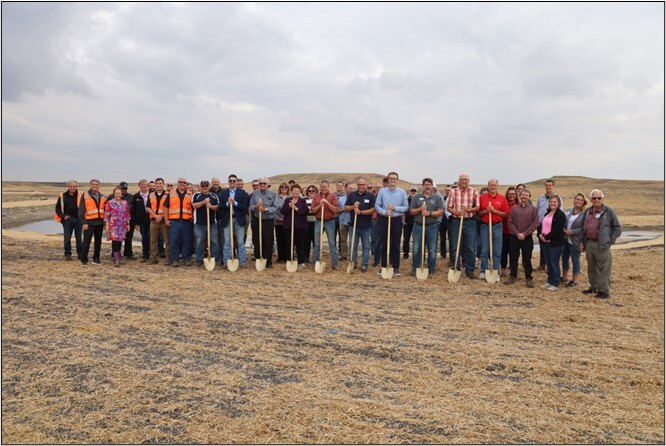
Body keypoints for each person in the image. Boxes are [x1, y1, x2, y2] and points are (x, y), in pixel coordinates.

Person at [580, 189, 621, 299]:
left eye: (599, 198)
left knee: (604, 268)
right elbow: (582, 228)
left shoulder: (608, 211)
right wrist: (582, 242)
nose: (596, 200)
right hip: (589, 243)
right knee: (592, 267)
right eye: (594, 198)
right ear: (590, 199)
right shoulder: (588, 211)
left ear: (602, 199)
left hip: (602, 245)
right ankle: (594, 287)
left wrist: (609, 241)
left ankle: (604, 291)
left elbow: (617, 228)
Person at [375, 171, 409, 276]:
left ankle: (395, 267)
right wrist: (384, 212)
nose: (392, 180)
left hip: (396, 220)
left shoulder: (402, 192)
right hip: (384, 219)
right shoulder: (382, 192)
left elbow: (405, 207)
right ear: (388, 180)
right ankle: (384, 266)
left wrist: (394, 208)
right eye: (391, 178)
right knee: (384, 243)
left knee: (395, 244)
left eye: (394, 178)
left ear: (397, 180)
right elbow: (377, 206)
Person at [447, 173, 480, 279]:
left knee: (470, 247)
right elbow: (449, 207)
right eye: (462, 179)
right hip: (456, 221)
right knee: (456, 246)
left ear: (469, 180)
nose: (464, 181)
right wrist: (457, 213)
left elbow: (478, 207)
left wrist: (469, 209)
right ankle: (456, 268)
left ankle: (470, 270)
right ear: (459, 180)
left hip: (470, 222)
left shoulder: (474, 191)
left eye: (466, 179)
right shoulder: (453, 191)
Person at [409, 178, 444, 275]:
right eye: (426, 184)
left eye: (429, 184)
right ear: (423, 186)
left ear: (432, 186)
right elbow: (411, 211)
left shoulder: (437, 198)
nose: (428, 186)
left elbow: (440, 212)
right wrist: (420, 209)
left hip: (432, 226)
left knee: (432, 249)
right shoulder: (417, 197)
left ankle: (431, 268)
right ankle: (415, 267)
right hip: (418, 226)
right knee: (416, 248)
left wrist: (429, 213)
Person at [506, 189, 540, 287]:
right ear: (520, 196)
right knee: (513, 257)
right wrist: (517, 233)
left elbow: (535, 224)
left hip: (527, 238)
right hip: (514, 237)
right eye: (522, 195)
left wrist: (524, 234)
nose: (524, 196)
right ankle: (513, 276)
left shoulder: (533, 209)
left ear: (529, 196)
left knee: (527, 258)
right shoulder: (514, 209)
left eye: (526, 195)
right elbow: (510, 222)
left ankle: (529, 278)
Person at [477, 180, 509, 281]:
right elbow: (478, 213)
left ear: (497, 186)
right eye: (491, 185)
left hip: (497, 226)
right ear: (488, 186)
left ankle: (496, 272)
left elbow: (506, 214)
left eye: (494, 185)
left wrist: (494, 211)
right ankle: (483, 271)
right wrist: (486, 211)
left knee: (497, 250)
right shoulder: (482, 198)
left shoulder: (502, 198)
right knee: (484, 249)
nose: (492, 187)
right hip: (485, 226)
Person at [343, 177, 376, 272]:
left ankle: (364, 264)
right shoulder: (352, 195)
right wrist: (353, 207)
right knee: (353, 245)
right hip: (353, 226)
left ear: (366, 185)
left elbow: (373, 210)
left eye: (363, 185)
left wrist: (360, 212)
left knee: (366, 246)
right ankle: (353, 263)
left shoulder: (370, 196)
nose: (361, 186)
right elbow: (345, 207)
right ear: (357, 185)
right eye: (359, 185)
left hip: (366, 226)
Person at [219, 174, 250, 268]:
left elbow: (244, 206)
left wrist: (235, 203)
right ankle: (226, 261)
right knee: (227, 241)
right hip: (228, 219)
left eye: (234, 181)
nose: (232, 182)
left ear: (236, 182)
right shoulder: (223, 193)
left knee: (240, 241)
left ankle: (242, 261)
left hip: (238, 219)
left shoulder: (242, 193)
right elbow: (221, 206)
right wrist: (228, 203)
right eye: (230, 181)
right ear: (228, 182)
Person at [537, 195, 566, 291]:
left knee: (554, 263)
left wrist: (546, 237)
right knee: (548, 263)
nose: (552, 203)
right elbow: (541, 225)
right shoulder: (547, 213)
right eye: (551, 202)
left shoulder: (560, 215)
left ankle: (556, 282)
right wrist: (540, 235)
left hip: (555, 243)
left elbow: (557, 230)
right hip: (545, 242)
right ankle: (549, 281)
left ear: (558, 204)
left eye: (555, 202)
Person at [164, 177, 194, 267]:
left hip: (187, 222)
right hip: (174, 222)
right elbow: (166, 207)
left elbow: (193, 208)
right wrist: (166, 219)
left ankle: (186, 258)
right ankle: (174, 259)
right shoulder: (171, 194)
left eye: (184, 182)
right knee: (174, 241)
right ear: (177, 183)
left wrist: (192, 217)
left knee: (187, 241)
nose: (182, 184)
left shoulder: (190, 194)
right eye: (180, 182)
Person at [249, 177, 278, 268]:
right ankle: (259, 258)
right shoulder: (255, 194)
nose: (262, 185)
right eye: (260, 183)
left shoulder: (273, 194)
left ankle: (268, 261)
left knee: (268, 241)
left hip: (268, 221)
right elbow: (250, 206)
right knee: (257, 240)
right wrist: (256, 207)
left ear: (267, 184)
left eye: (264, 183)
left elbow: (275, 207)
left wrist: (265, 209)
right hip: (257, 220)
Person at [311, 180, 340, 270]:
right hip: (318, 221)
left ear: (328, 187)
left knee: (332, 243)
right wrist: (320, 205)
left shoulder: (333, 196)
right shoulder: (316, 197)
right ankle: (315, 263)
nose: (323, 188)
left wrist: (327, 203)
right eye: (322, 186)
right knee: (317, 244)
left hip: (330, 222)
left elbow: (335, 210)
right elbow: (313, 210)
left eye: (325, 186)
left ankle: (334, 264)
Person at [560, 193, 587, 287]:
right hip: (565, 239)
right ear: (574, 200)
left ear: (583, 202)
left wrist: (571, 232)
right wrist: (564, 230)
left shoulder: (584, 214)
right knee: (564, 258)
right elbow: (563, 222)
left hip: (576, 241)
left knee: (575, 260)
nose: (579, 201)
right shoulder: (568, 210)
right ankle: (564, 277)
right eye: (577, 199)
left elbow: (583, 228)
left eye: (581, 200)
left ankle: (574, 280)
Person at [192, 180, 220, 267]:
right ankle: (199, 259)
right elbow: (194, 206)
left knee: (214, 241)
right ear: (200, 186)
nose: (204, 187)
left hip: (212, 223)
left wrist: (211, 206)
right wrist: (204, 202)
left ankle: (215, 258)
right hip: (199, 223)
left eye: (206, 185)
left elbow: (218, 208)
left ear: (209, 186)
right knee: (199, 242)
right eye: (202, 185)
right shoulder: (196, 195)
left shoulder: (214, 196)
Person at [78, 179, 107, 266]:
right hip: (89, 223)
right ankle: (84, 260)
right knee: (86, 241)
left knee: (98, 242)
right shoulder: (85, 195)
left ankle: (96, 259)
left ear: (99, 185)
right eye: (93, 184)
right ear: (90, 185)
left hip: (99, 223)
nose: (95, 186)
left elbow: (105, 210)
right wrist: (84, 222)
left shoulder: (102, 196)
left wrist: (105, 223)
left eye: (97, 184)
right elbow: (81, 210)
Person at [281, 183, 309, 268]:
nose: (296, 192)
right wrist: (289, 206)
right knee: (289, 244)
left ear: (299, 192)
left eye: (297, 190)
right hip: (288, 226)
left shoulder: (302, 201)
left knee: (300, 244)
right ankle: (289, 260)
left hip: (300, 226)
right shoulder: (287, 200)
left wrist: (296, 208)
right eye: (294, 190)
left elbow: (305, 211)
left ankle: (301, 261)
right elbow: (283, 212)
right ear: (292, 191)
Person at [107, 181, 136, 260]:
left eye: (125, 188)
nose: (123, 190)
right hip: (115, 224)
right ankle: (115, 255)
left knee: (128, 239)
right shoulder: (110, 198)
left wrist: (131, 223)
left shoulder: (130, 197)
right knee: (116, 240)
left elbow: (131, 211)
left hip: (127, 222)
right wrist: (106, 225)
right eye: (122, 188)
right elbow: (107, 213)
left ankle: (128, 254)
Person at [54, 180, 83, 260]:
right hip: (67, 220)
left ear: (77, 187)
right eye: (71, 186)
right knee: (67, 238)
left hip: (78, 220)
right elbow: (57, 208)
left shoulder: (81, 195)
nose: (73, 188)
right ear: (68, 187)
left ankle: (80, 254)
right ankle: (67, 254)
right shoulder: (62, 196)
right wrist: (63, 216)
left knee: (79, 238)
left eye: (74, 186)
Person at [104, 186, 131, 267]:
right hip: (114, 226)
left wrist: (128, 224)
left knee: (120, 241)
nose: (118, 195)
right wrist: (107, 226)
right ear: (114, 194)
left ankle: (118, 258)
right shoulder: (110, 203)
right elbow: (107, 215)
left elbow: (127, 214)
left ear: (121, 194)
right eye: (116, 193)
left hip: (122, 225)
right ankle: (116, 260)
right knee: (115, 241)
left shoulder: (124, 203)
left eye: (119, 193)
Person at [146, 178, 170, 265]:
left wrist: (162, 216)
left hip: (164, 221)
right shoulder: (151, 195)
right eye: (157, 183)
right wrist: (155, 216)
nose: (159, 185)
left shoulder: (168, 195)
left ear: (163, 184)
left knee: (167, 241)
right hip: (154, 221)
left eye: (160, 183)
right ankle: (154, 258)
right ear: (155, 185)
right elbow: (148, 207)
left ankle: (168, 258)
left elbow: (169, 208)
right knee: (153, 241)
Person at [536, 179, 556, 271]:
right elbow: (537, 210)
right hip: (541, 224)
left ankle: (549, 265)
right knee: (542, 245)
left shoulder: (557, 198)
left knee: (551, 246)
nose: (548, 187)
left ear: (553, 186)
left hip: (551, 225)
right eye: (546, 185)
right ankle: (542, 264)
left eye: (550, 185)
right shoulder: (541, 198)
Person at [131, 179, 152, 262]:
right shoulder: (136, 196)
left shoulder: (151, 195)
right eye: (142, 185)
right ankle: (145, 255)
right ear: (139, 186)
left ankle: (152, 254)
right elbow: (133, 210)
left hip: (150, 220)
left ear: (147, 186)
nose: (143, 186)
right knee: (144, 238)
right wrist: (135, 223)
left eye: (145, 185)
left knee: (150, 237)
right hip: (141, 221)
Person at [500, 187, 518, 277]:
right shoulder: (504, 203)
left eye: (513, 194)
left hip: (514, 232)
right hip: (504, 231)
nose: (511, 196)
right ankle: (503, 270)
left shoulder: (518, 205)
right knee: (504, 252)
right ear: (507, 195)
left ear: (516, 195)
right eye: (510, 194)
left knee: (513, 252)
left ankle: (513, 270)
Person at [274, 182, 290, 263]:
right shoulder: (276, 198)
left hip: (289, 223)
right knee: (280, 240)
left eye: (286, 187)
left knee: (288, 240)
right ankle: (281, 257)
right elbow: (274, 210)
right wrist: (278, 218)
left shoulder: (291, 198)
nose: (284, 188)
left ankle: (288, 257)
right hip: (278, 222)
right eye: (282, 187)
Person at [337, 183, 354, 260]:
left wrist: (349, 208)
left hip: (352, 222)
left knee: (352, 239)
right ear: (346, 189)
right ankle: (344, 255)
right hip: (343, 221)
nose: (351, 190)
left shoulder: (355, 198)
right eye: (350, 188)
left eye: (352, 188)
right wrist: (344, 209)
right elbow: (337, 210)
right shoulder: (340, 199)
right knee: (343, 239)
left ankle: (351, 255)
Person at [304, 185, 318, 262]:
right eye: (310, 191)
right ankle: (306, 257)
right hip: (306, 223)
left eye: (313, 191)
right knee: (306, 241)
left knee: (315, 241)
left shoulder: (318, 200)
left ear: (316, 191)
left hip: (316, 222)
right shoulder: (304, 200)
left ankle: (315, 258)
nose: (311, 192)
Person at [403, 185, 417, 259]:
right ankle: (405, 254)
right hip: (407, 223)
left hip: (416, 223)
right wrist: (402, 220)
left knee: (416, 240)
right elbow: (402, 210)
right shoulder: (405, 200)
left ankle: (415, 255)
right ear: (409, 191)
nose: (413, 192)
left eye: (414, 191)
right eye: (412, 191)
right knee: (406, 240)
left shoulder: (418, 200)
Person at [334, 181, 346, 258]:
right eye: (338, 185)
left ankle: (341, 252)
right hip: (334, 218)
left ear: (343, 187)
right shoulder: (333, 195)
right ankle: (334, 252)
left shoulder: (345, 195)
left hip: (342, 218)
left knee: (342, 237)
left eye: (340, 185)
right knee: (333, 236)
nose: (339, 187)